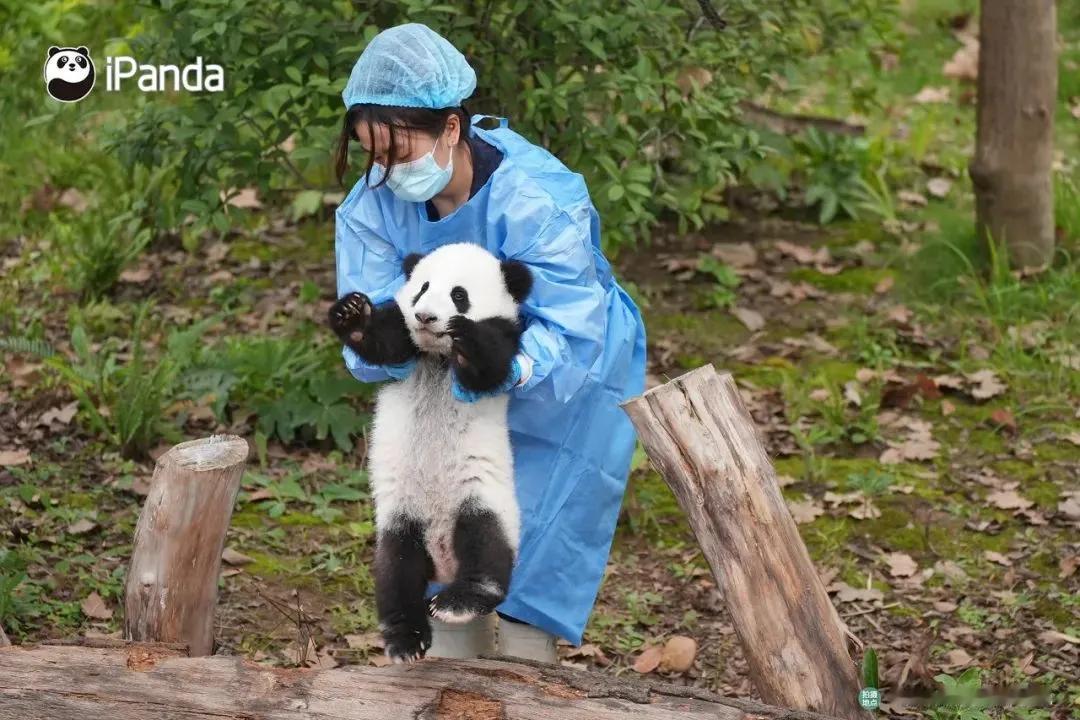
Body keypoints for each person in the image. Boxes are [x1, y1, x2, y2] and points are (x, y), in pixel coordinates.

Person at [333, 22, 646, 662]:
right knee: (448, 548)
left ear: (452, 128)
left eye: (398, 151)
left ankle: (534, 687)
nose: (386, 171)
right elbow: (375, 330)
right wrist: (375, 339)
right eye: (373, 154)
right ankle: (454, 684)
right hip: (442, 390)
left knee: (539, 558)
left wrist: (507, 367)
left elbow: (571, 328)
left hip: (565, 383)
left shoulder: (537, 200)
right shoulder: (369, 209)